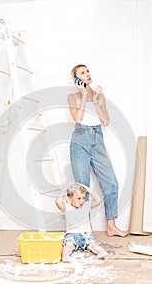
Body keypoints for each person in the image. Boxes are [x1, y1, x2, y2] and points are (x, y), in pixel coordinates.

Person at [68, 64, 129, 237]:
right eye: (82, 73)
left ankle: (112, 226)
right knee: (82, 188)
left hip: (97, 139)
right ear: (76, 79)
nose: (87, 74)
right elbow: (78, 119)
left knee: (111, 184)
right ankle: (84, 230)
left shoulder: (99, 96)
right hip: (79, 140)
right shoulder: (72, 96)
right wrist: (85, 94)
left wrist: (96, 100)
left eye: (87, 71)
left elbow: (106, 121)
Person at [55, 182, 109, 262]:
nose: (82, 201)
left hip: (86, 233)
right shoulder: (67, 207)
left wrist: (88, 189)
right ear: (69, 198)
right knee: (69, 246)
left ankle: (102, 253)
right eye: (79, 198)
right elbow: (58, 202)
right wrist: (65, 191)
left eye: (83, 198)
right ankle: (65, 256)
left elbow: (99, 200)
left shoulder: (86, 206)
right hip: (72, 234)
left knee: (92, 245)